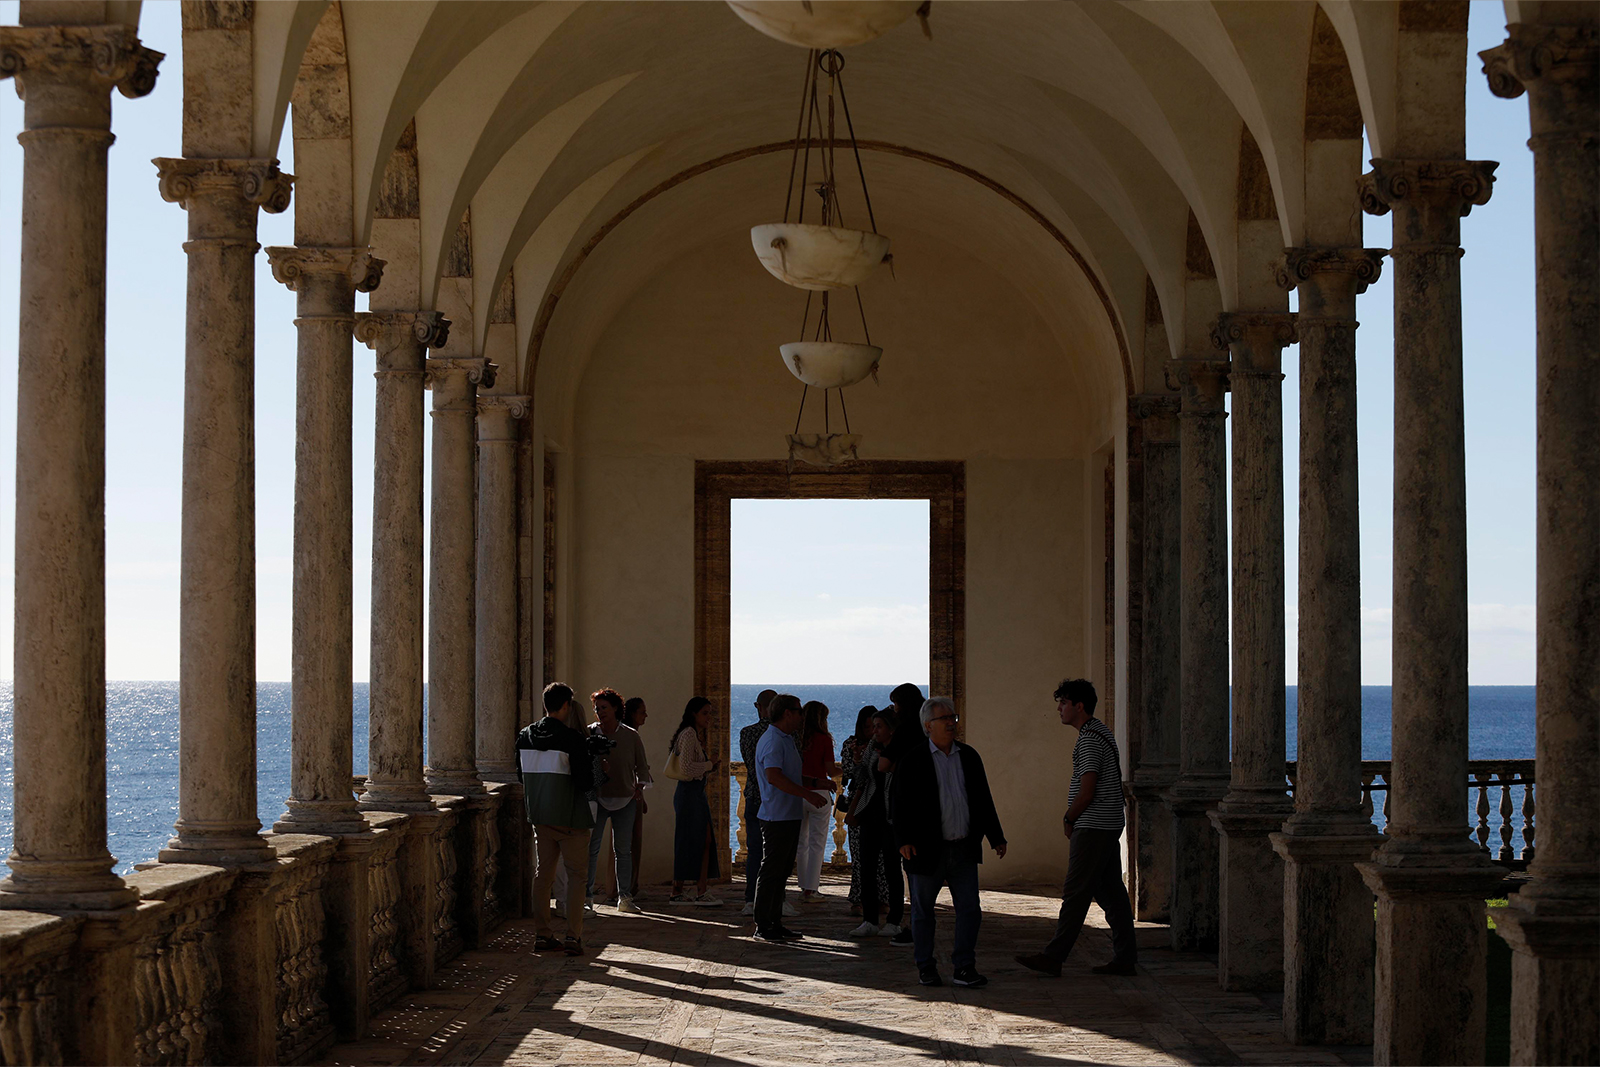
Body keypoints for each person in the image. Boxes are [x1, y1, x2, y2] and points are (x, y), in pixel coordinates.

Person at [1016, 679, 1138, 978]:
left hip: (1094, 826)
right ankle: (1125, 958)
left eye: (1063, 703)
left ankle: (1054, 956)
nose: (1059, 708)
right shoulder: (1100, 731)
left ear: (1078, 706)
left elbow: (1087, 790)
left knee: (1076, 891)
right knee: (1111, 892)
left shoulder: (1089, 739)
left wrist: (1069, 818)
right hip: (1108, 823)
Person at [892, 697, 1006, 988]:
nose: (952, 723)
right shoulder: (913, 760)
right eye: (945, 719)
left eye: (953, 717)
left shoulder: (968, 756)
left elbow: (983, 798)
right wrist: (903, 840)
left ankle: (964, 967)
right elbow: (898, 804)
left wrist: (996, 836)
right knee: (923, 911)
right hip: (926, 849)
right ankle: (926, 967)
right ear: (928, 725)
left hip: (963, 847)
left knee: (969, 909)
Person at [519, 682, 614, 956]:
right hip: (571, 818)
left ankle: (542, 934)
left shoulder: (525, 736)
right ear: (565, 706)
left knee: (543, 876)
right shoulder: (572, 739)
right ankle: (573, 936)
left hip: (540, 815)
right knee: (577, 877)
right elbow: (586, 783)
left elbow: (520, 775)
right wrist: (596, 764)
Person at [752, 694, 829, 942]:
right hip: (777, 817)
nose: (801, 716)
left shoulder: (786, 739)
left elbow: (791, 775)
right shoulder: (774, 741)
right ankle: (763, 925)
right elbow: (774, 776)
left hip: (788, 815)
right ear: (787, 713)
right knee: (772, 871)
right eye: (798, 711)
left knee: (782, 871)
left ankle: (775, 921)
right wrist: (808, 793)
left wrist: (816, 783)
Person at [586, 688, 651, 915]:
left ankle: (625, 897)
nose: (599, 712)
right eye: (597, 708)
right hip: (597, 799)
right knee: (591, 849)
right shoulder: (590, 734)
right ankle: (587, 898)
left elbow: (642, 767)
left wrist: (639, 789)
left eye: (604, 707)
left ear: (615, 708)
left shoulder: (631, 736)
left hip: (625, 799)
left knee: (623, 850)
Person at [846, 707, 905, 939]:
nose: (874, 730)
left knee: (892, 868)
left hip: (891, 815)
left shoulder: (899, 748)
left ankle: (894, 920)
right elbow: (862, 776)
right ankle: (869, 920)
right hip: (870, 812)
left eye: (879, 726)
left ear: (891, 729)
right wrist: (859, 761)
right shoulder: (873, 746)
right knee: (866, 867)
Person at [668, 697, 723, 905]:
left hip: (694, 793)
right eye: (705, 713)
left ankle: (692, 890)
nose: (709, 717)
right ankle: (687, 891)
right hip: (690, 793)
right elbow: (687, 769)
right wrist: (710, 764)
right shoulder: (689, 734)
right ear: (694, 714)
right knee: (695, 840)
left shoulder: (691, 734)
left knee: (701, 840)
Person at [737, 689, 778, 913]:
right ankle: (775, 899)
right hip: (776, 800)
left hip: (753, 795)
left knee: (754, 851)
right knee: (776, 854)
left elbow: (751, 766)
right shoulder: (784, 734)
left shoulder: (747, 734)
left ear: (757, 706)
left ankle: (750, 899)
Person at [796, 700, 839, 902]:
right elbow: (831, 771)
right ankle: (811, 889)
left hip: (798, 793)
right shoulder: (823, 739)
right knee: (817, 843)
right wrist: (848, 768)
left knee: (801, 843)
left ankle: (802, 883)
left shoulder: (796, 738)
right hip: (819, 795)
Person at [839, 705, 880, 916]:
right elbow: (848, 773)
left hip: (879, 804)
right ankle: (858, 898)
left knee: (880, 857)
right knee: (859, 855)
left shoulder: (882, 746)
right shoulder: (850, 745)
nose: (871, 731)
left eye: (874, 726)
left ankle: (882, 898)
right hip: (859, 803)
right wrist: (858, 760)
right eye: (867, 727)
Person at [621, 697, 649, 899]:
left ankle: (628, 886)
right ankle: (628, 887)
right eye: (642, 711)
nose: (645, 715)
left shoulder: (629, 735)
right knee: (630, 844)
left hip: (632, 794)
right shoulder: (630, 736)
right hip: (630, 796)